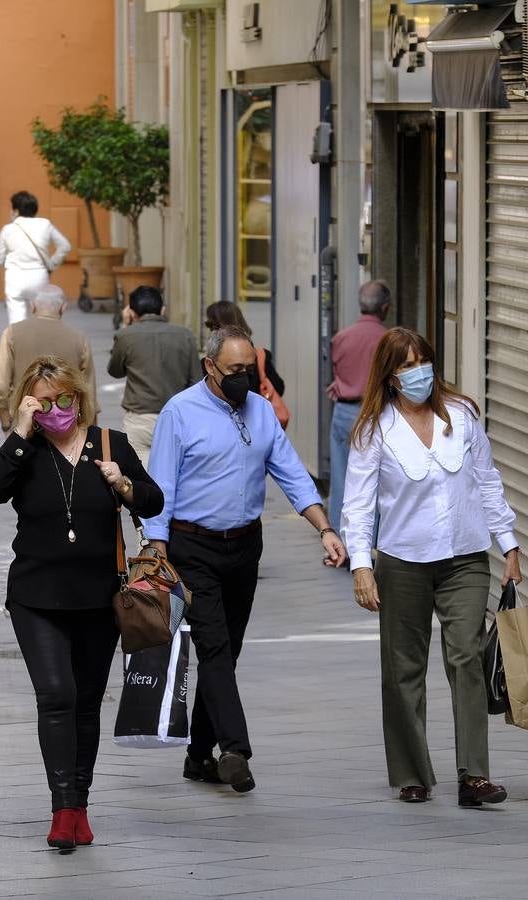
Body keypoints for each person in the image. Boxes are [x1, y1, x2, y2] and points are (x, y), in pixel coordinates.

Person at [145, 325, 347, 793]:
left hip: (244, 547)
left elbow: (293, 474)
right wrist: (157, 548)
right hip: (192, 547)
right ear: (209, 367)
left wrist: (325, 529)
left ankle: (198, 756)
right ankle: (235, 750)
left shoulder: (259, 411)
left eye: (249, 370)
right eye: (234, 370)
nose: (244, 379)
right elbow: (162, 486)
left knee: (227, 651)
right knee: (213, 648)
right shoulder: (181, 412)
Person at [0, 356, 163, 850]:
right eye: (43, 402)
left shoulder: (110, 444)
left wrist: (122, 484)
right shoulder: (27, 451)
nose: (57, 410)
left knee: (85, 703)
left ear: (79, 399)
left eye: (65, 399)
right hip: (36, 598)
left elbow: (153, 499)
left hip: (99, 598)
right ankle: (62, 808)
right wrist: (19, 430)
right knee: (56, 695)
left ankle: (79, 803)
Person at [341, 326, 520, 808]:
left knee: (466, 657)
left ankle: (475, 776)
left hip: (465, 557)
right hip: (403, 562)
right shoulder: (374, 431)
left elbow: (487, 481)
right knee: (403, 669)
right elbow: (357, 506)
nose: (418, 371)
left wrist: (510, 545)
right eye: (406, 364)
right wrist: (361, 565)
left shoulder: (461, 416)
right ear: (390, 375)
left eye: (423, 360)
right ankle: (410, 772)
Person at [107, 285, 199, 461]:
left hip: (139, 418)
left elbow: (115, 371)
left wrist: (126, 326)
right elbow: (195, 380)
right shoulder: (185, 335)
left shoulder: (126, 335)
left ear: (131, 312)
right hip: (177, 416)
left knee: (140, 478)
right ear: (163, 309)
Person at [0, 284, 99, 432]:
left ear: (33, 306)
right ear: (63, 307)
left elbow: (0, 388)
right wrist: (91, 431)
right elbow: (88, 390)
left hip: (26, 421)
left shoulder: (12, 334)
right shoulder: (79, 339)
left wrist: (6, 425)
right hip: (65, 424)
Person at [327, 280, 391, 516]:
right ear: (385, 307)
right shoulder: (388, 340)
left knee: (341, 475)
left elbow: (337, 373)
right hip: (376, 412)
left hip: (344, 411)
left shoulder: (342, 337)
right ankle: (369, 541)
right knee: (374, 479)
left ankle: (337, 540)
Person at [0, 190, 72, 325]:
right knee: (42, 319)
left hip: (15, 278)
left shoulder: (8, 229)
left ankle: (19, 344)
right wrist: (52, 263)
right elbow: (65, 246)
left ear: (16, 211)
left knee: (16, 323)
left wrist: (9, 261)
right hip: (39, 276)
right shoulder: (45, 225)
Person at [203, 300, 285, 396]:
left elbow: (278, 388)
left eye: (249, 368)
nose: (212, 332)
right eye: (235, 369)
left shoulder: (261, 357)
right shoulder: (211, 363)